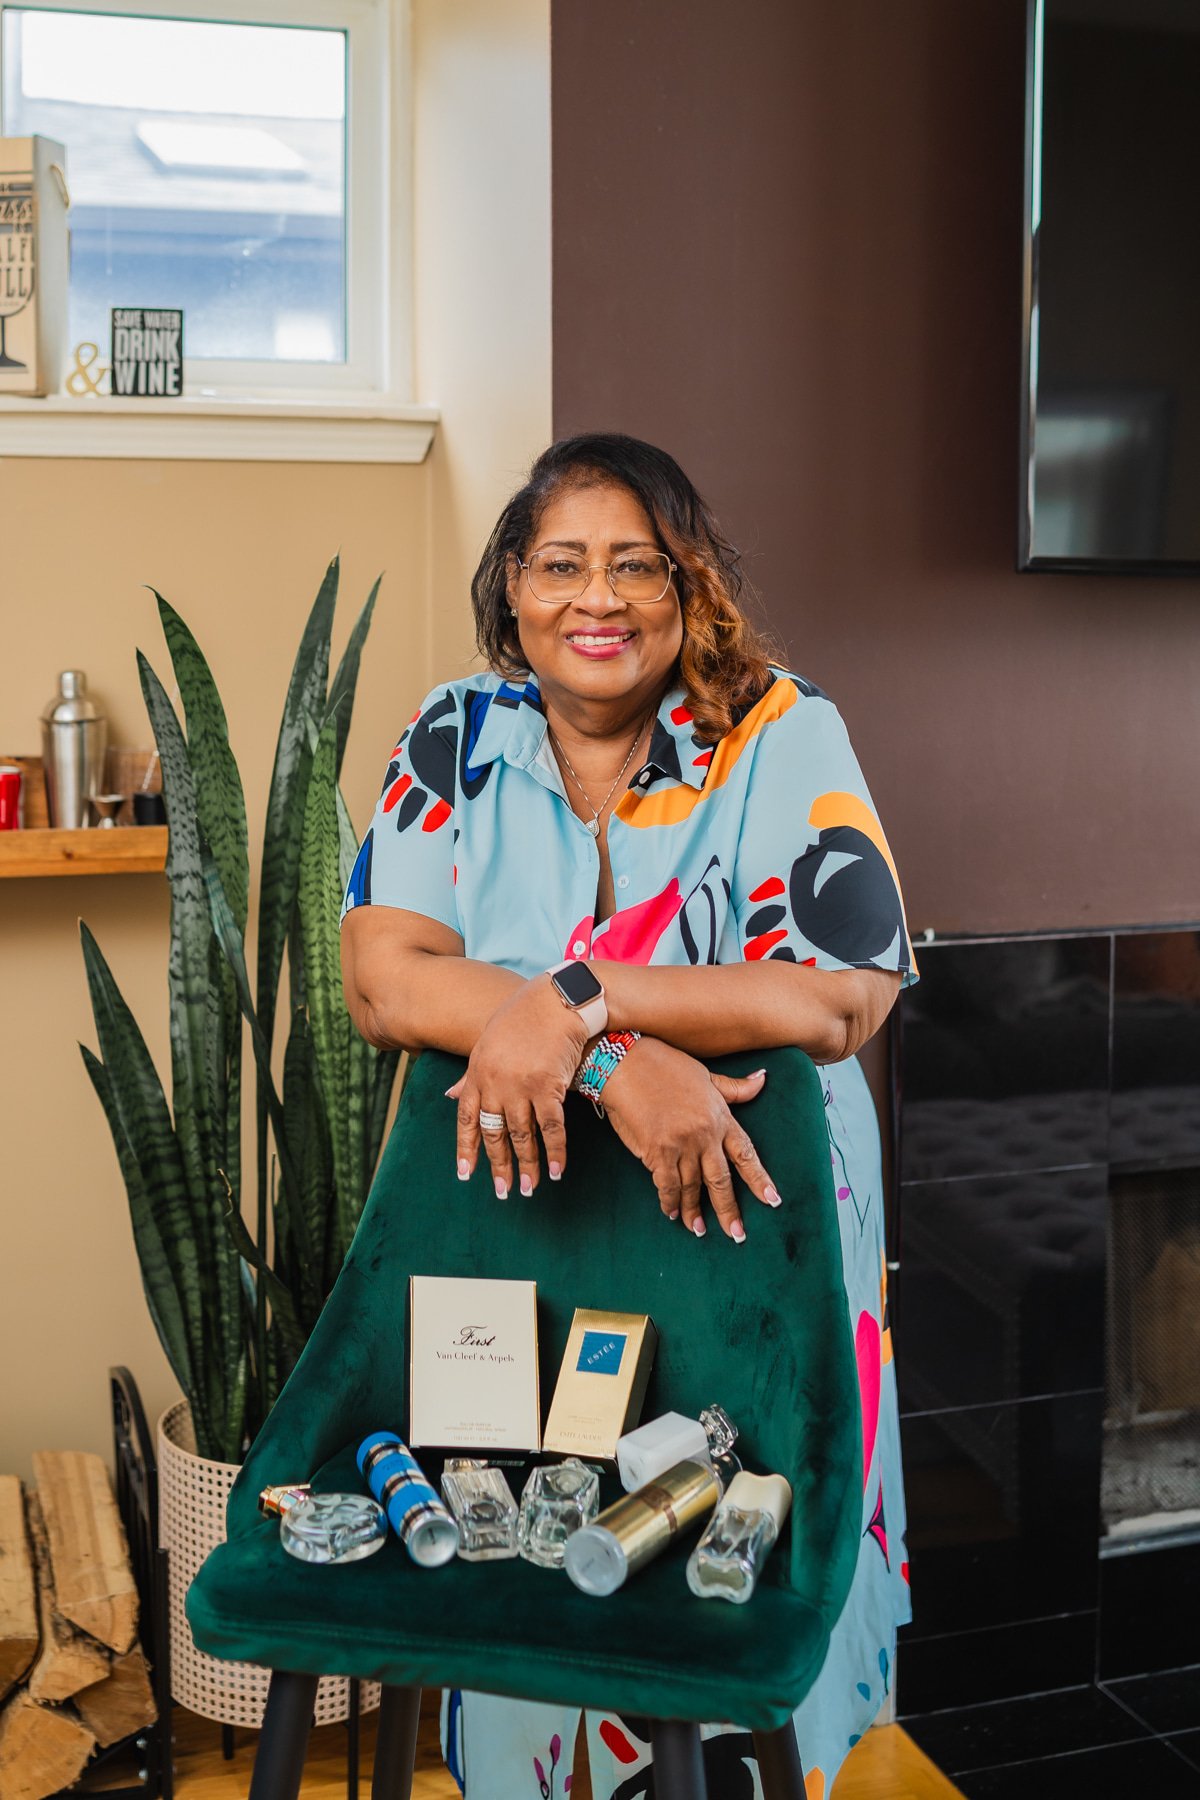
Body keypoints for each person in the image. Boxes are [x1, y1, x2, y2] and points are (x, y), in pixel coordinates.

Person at [341, 433, 915, 1800]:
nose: (597, 600)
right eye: (561, 566)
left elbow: (843, 997)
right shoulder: (454, 734)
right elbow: (385, 976)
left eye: (635, 567)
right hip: (531, 1222)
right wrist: (611, 1063)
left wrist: (582, 997)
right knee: (537, 1554)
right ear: (514, 593)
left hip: (759, 1221)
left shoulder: (784, 729)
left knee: (754, 1579)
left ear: (687, 589)